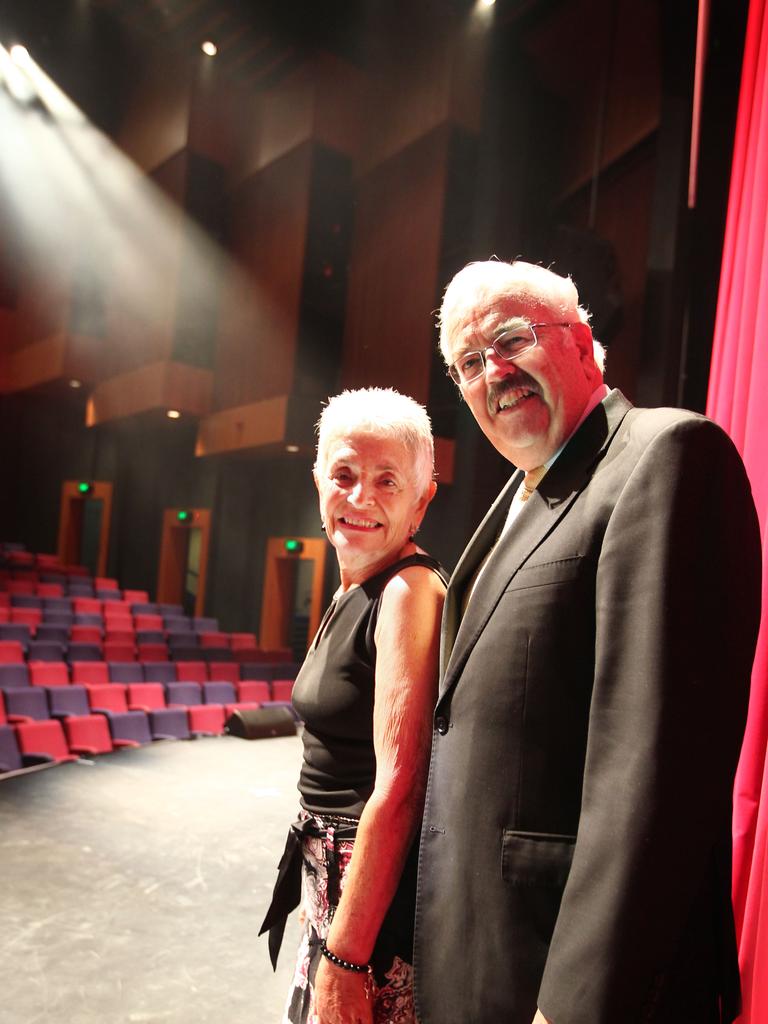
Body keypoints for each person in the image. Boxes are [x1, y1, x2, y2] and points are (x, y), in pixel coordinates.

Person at [413, 260, 762, 1024]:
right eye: (468, 363)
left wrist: (572, 1008)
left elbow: (653, 773)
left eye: (511, 339)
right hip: (488, 956)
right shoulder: (521, 495)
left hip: (575, 982)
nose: (492, 372)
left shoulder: (664, 455)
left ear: (580, 341)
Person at [260, 387, 447, 1024]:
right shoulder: (354, 587)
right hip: (332, 883)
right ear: (318, 481)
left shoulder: (405, 592)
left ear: (423, 497)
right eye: (343, 474)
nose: (360, 497)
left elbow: (401, 788)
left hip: (365, 901)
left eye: (386, 480)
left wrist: (345, 957)